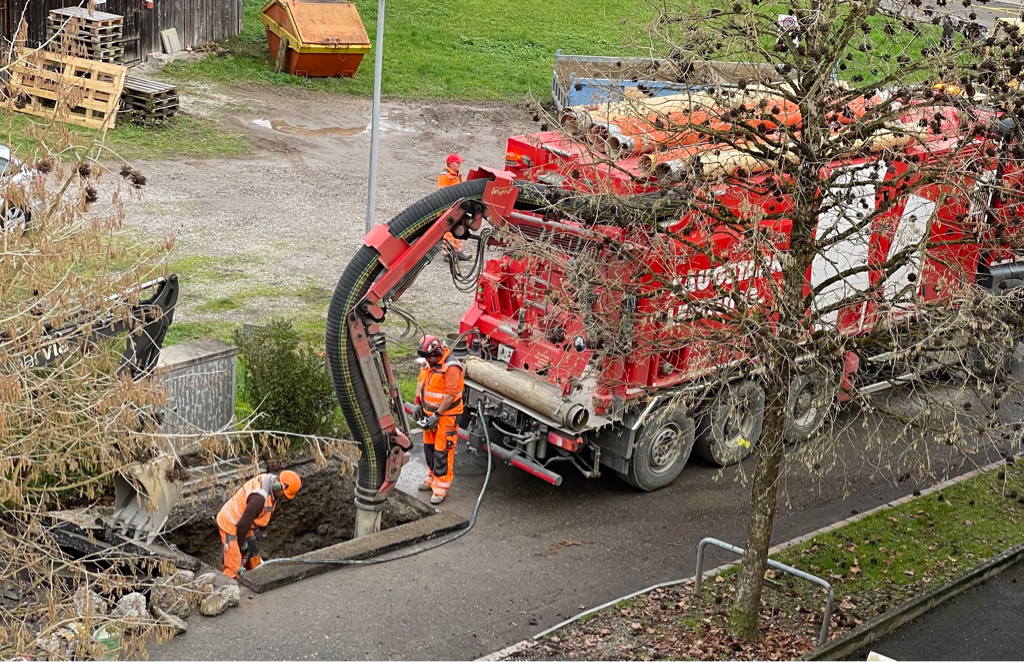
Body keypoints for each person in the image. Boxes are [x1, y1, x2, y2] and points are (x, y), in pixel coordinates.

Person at [216, 470, 302, 578]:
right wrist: (240, 545)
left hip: (244, 522)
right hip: (230, 523)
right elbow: (242, 525)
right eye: (283, 494)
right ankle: (229, 586)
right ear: (279, 487)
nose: (283, 497)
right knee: (233, 565)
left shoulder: (271, 481)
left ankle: (249, 575)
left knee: (252, 554)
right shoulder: (259, 499)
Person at [411, 335, 465, 504]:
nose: (427, 361)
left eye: (429, 357)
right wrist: (417, 404)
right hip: (429, 413)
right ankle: (432, 476)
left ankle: (441, 487)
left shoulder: (451, 367)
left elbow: (450, 396)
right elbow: (421, 383)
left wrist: (437, 415)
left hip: (446, 416)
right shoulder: (429, 362)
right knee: (429, 448)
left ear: (437, 352)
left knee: (443, 451)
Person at [437, 153, 471, 261]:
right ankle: (447, 253)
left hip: (457, 205)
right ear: (450, 164)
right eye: (457, 162)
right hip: (449, 206)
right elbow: (442, 193)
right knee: (449, 229)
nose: (460, 164)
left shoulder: (457, 174)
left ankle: (458, 251)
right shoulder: (444, 176)